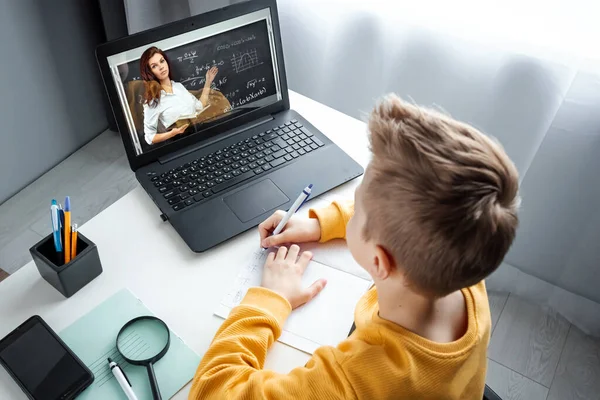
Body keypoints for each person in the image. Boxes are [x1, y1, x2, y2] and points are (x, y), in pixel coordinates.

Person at [189, 94, 520, 399]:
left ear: (379, 261)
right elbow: (410, 212)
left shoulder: (353, 381)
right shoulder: (467, 257)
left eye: (357, 208)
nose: (352, 207)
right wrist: (319, 225)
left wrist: (270, 301)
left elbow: (213, 391)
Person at [140, 46, 219, 145]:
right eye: (154, 66)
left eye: (162, 61)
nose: (161, 67)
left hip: (201, 136)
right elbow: (149, 138)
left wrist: (208, 82)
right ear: (149, 72)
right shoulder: (153, 101)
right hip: (181, 143)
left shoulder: (178, 87)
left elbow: (199, 107)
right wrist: (172, 133)